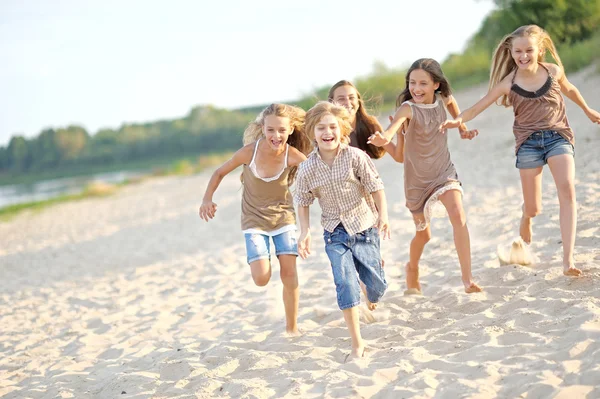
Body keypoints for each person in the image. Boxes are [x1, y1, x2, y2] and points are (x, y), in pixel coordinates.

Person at [440, 25, 600, 276]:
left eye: (528, 50)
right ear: (511, 52)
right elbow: (478, 106)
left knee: (567, 191)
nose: (523, 56)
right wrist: (457, 120)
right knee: (534, 207)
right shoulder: (508, 83)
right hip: (528, 145)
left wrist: (588, 110)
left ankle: (568, 259)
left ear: (540, 50)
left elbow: (570, 90)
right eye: (518, 51)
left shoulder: (553, 71)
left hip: (558, 137)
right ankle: (526, 218)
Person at [368, 58, 482, 294]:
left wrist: (462, 129)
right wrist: (385, 137)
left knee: (459, 216)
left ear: (436, 85)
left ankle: (467, 278)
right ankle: (412, 267)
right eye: (412, 83)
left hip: (444, 172)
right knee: (423, 235)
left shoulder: (445, 100)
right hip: (417, 182)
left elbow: (455, 112)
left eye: (423, 83)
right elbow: (391, 131)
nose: (416, 89)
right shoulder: (408, 108)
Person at [199, 103, 312, 334]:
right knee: (261, 278)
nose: (276, 135)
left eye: (281, 130)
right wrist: (207, 199)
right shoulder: (249, 152)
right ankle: (263, 259)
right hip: (254, 222)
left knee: (289, 274)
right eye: (271, 130)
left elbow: (317, 173)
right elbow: (219, 172)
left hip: (283, 220)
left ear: (290, 130)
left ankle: (292, 328)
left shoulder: (294, 156)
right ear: (263, 128)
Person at [295, 101, 390, 359]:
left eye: (332, 126)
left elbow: (375, 185)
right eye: (321, 128)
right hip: (334, 232)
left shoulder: (356, 157)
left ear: (342, 129)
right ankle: (357, 342)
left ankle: (369, 283)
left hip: (364, 226)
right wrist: (304, 231)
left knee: (376, 288)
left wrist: (384, 215)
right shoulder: (306, 169)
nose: (327, 132)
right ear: (312, 133)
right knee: (345, 283)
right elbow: (302, 201)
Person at [328, 80, 401, 161]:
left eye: (351, 98)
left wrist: (400, 133)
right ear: (331, 104)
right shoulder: (327, 131)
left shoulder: (370, 124)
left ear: (358, 102)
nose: (347, 102)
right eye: (341, 99)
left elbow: (399, 157)